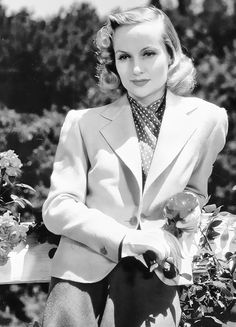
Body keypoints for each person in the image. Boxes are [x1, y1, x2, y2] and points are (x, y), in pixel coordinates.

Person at [42, 6, 228, 327]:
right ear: (113, 62)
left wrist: (192, 211)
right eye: (124, 56)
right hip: (80, 279)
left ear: (171, 55)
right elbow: (58, 207)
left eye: (148, 53)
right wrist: (125, 240)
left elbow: (196, 192)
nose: (136, 69)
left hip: (157, 274)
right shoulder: (81, 123)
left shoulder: (209, 120)